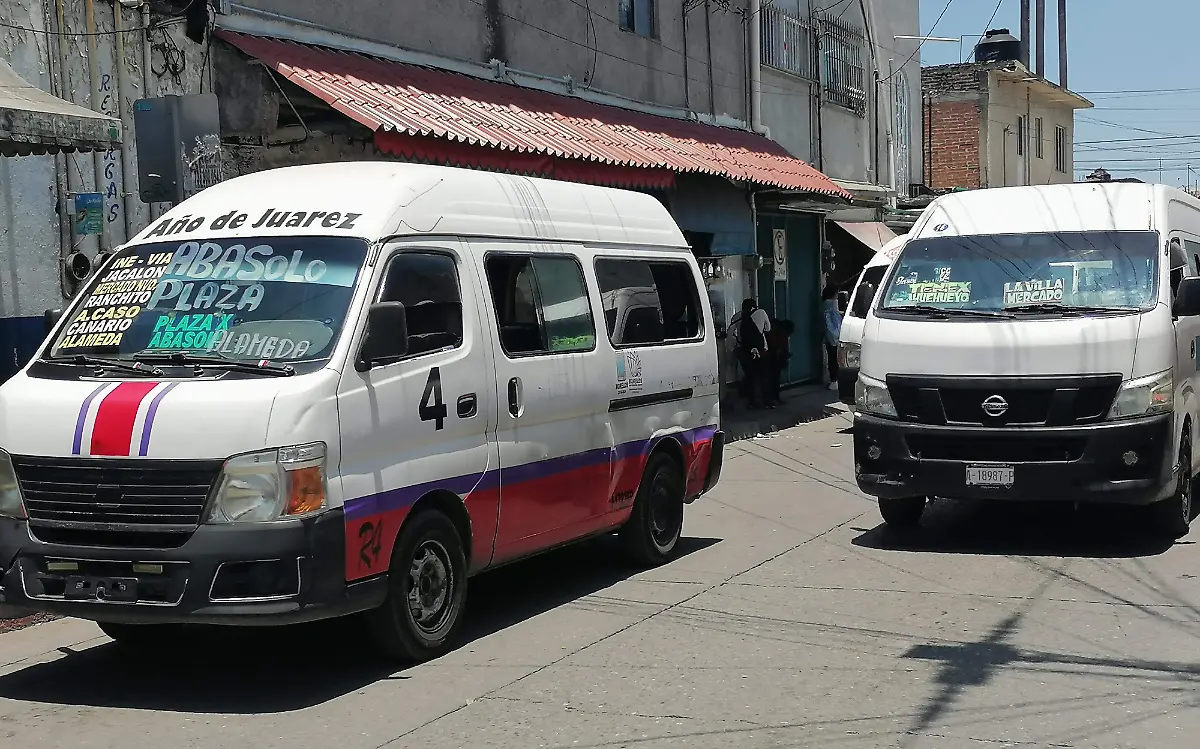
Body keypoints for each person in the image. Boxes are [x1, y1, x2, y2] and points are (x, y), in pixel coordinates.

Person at [730, 298, 772, 409]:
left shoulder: (737, 317)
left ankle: (752, 401)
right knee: (763, 375)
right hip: (761, 349)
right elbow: (768, 328)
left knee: (750, 375)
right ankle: (765, 401)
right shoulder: (761, 313)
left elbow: (731, 333)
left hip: (745, 351)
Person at [822, 284, 843, 391]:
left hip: (828, 335)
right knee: (837, 359)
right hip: (835, 335)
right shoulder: (833, 303)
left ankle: (833, 380)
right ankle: (836, 380)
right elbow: (835, 320)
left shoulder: (824, 304)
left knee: (831, 358)